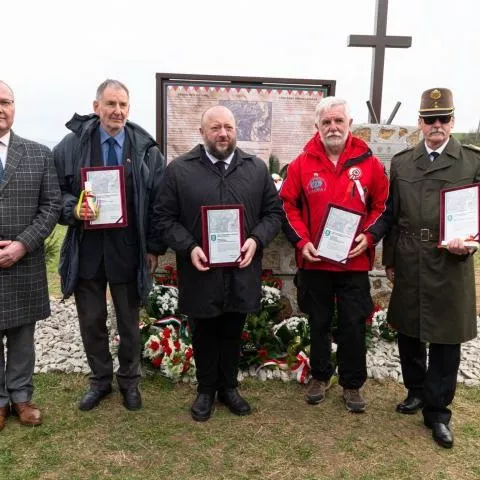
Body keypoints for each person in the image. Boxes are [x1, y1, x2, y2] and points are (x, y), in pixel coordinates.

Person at [154, 105, 282, 421]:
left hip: (241, 269)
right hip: (201, 270)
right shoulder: (180, 170)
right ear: (202, 133)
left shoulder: (255, 169)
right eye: (215, 128)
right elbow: (163, 217)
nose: (223, 133)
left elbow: (274, 213)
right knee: (203, 331)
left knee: (232, 329)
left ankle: (229, 388)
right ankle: (205, 390)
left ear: (236, 130)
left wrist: (256, 240)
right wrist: (189, 247)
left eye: (228, 127)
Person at [54, 79, 165, 412]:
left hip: (129, 248)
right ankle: (100, 381)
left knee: (129, 322)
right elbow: (53, 193)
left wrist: (154, 247)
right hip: (87, 248)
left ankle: (129, 381)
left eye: (123, 105)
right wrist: (74, 209)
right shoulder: (70, 146)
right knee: (91, 320)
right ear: (96, 106)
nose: (117, 111)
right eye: (111, 104)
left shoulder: (146, 148)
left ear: (129, 110)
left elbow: (159, 201)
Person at [382, 88, 480, 448]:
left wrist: (469, 240)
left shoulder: (471, 162)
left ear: (452, 121)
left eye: (443, 119)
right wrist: (389, 258)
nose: (436, 125)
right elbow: (392, 216)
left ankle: (438, 412)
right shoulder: (403, 162)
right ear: (420, 123)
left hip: (449, 259)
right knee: (408, 328)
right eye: (429, 119)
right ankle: (416, 390)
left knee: (445, 336)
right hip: (409, 255)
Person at [280, 97, 389, 413]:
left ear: (349, 124)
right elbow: (288, 205)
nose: (333, 127)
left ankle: (352, 384)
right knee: (318, 321)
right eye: (326, 122)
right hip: (315, 262)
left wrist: (368, 237)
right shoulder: (302, 164)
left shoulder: (369, 163)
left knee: (354, 323)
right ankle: (319, 375)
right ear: (317, 126)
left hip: (353, 262)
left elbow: (382, 205)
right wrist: (302, 242)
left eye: (338, 121)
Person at [0, 81, 61, 430]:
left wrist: (23, 244)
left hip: (25, 259)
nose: (1, 108)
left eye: (6, 101)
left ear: (15, 107)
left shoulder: (38, 153)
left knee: (23, 335)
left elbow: (51, 205)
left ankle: (21, 398)